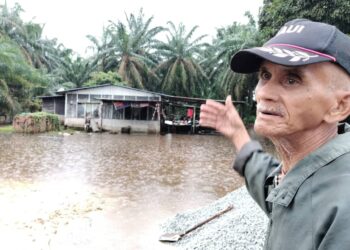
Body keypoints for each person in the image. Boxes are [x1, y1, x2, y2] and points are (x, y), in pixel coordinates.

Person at [200, 19, 350, 250]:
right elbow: (273, 187)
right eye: (265, 75)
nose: (263, 93)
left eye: (292, 79)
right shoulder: (302, 173)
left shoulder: (343, 207)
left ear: (339, 106)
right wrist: (238, 134)